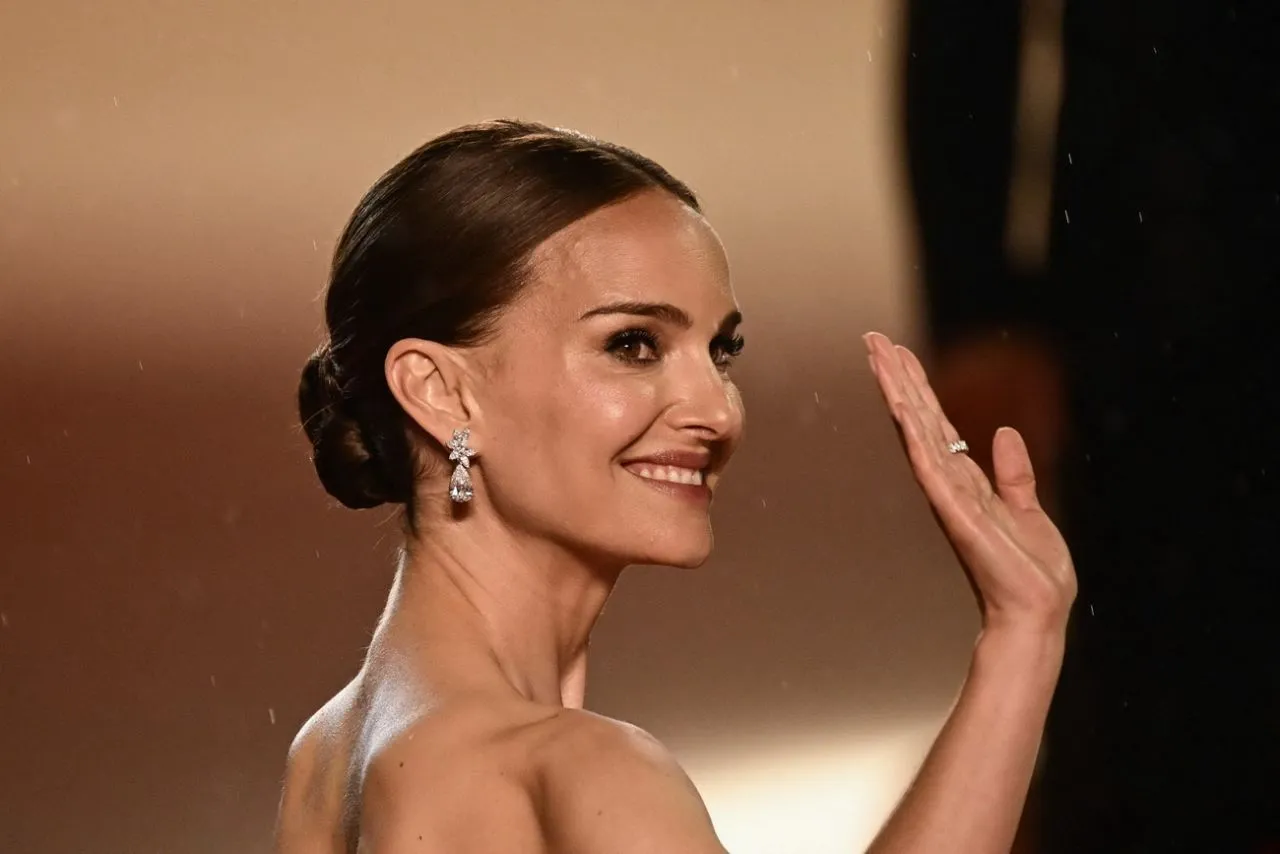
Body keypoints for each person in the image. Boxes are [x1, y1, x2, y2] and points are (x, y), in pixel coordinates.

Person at [275, 119, 1076, 854]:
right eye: (633, 344)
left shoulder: (328, 760)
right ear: (440, 392)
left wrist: (1022, 635)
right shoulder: (587, 773)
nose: (717, 411)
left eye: (720, 352)